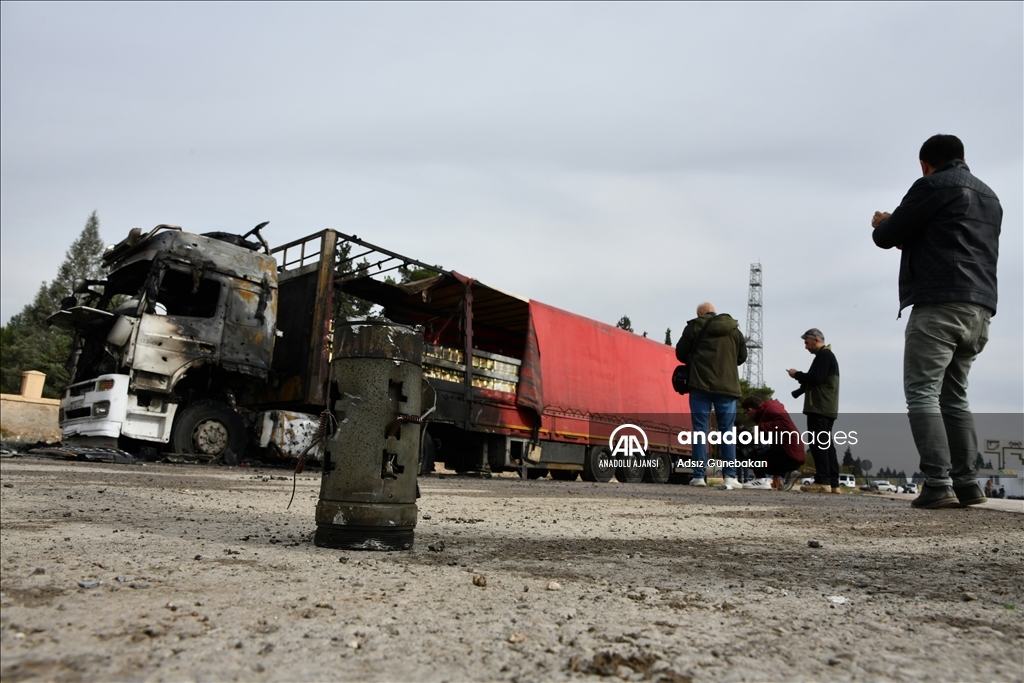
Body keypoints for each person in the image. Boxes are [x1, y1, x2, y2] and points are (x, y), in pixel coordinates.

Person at [872, 134, 1001, 510]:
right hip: (980, 308)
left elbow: (887, 236)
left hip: (939, 305)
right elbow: (948, 239)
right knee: (955, 396)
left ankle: (937, 483)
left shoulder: (931, 185)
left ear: (924, 164)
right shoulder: (990, 196)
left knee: (922, 392)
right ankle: (968, 484)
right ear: (963, 158)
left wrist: (884, 222)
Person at [676, 302, 747, 489]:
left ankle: (699, 476)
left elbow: (681, 354)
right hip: (727, 386)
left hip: (700, 385)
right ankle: (730, 477)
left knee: (700, 430)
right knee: (727, 431)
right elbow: (742, 357)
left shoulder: (694, 326)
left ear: (700, 313)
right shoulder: (734, 330)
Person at [787, 329, 840, 493]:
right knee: (827, 445)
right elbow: (818, 378)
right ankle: (833, 483)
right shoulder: (827, 356)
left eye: (807, 342)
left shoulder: (824, 356)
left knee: (818, 444)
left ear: (816, 340)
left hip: (819, 407)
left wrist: (796, 374)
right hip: (828, 407)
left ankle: (823, 481)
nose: (805, 346)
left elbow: (816, 378)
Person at [737, 396, 805, 490]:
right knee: (749, 448)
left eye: (746, 413)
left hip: (789, 454)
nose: (747, 417)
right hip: (791, 455)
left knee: (752, 449)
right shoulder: (766, 413)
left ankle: (761, 479)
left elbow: (784, 424)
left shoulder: (770, 409)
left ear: (750, 410)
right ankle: (788, 474)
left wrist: (759, 428)